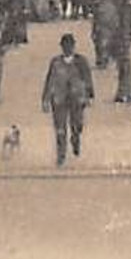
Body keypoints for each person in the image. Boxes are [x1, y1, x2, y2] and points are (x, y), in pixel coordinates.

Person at [41, 34, 94, 167]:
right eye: (65, 46)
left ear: (73, 46)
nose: (67, 49)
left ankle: (75, 140)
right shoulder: (55, 62)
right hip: (59, 99)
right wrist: (45, 99)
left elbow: (87, 79)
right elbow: (49, 80)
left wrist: (90, 95)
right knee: (60, 129)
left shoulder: (81, 61)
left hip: (77, 98)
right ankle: (61, 155)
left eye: (70, 46)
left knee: (77, 125)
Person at [112, 0, 131, 103]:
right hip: (125, 40)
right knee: (125, 68)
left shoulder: (118, 9)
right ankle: (127, 93)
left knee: (123, 68)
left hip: (123, 40)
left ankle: (125, 93)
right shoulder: (130, 8)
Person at [90, 0, 119, 69]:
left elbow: (115, 20)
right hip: (103, 29)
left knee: (102, 45)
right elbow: (95, 21)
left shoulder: (108, 8)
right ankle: (101, 60)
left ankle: (103, 60)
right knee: (101, 45)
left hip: (105, 29)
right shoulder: (111, 8)